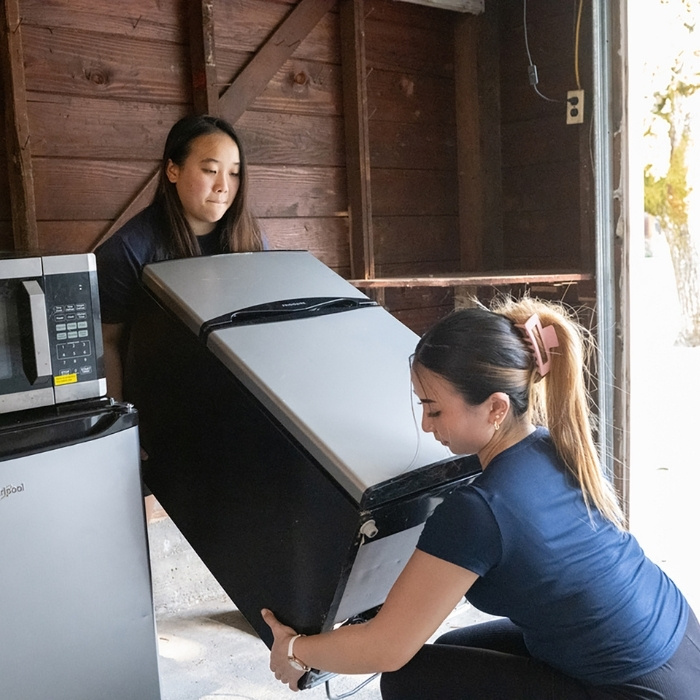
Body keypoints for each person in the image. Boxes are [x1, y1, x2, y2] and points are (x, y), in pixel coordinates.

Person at [262, 297, 700, 699]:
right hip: (683, 648)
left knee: (408, 679)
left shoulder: (479, 510)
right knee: (451, 649)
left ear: (495, 408)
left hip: (638, 690)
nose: (427, 425)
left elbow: (385, 649)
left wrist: (297, 650)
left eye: (434, 409)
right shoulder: (557, 447)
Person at [95, 114, 264, 402]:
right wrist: (122, 429)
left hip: (236, 400)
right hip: (161, 406)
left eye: (234, 173)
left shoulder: (250, 238)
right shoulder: (128, 249)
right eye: (211, 170)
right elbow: (106, 342)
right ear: (173, 171)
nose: (224, 185)